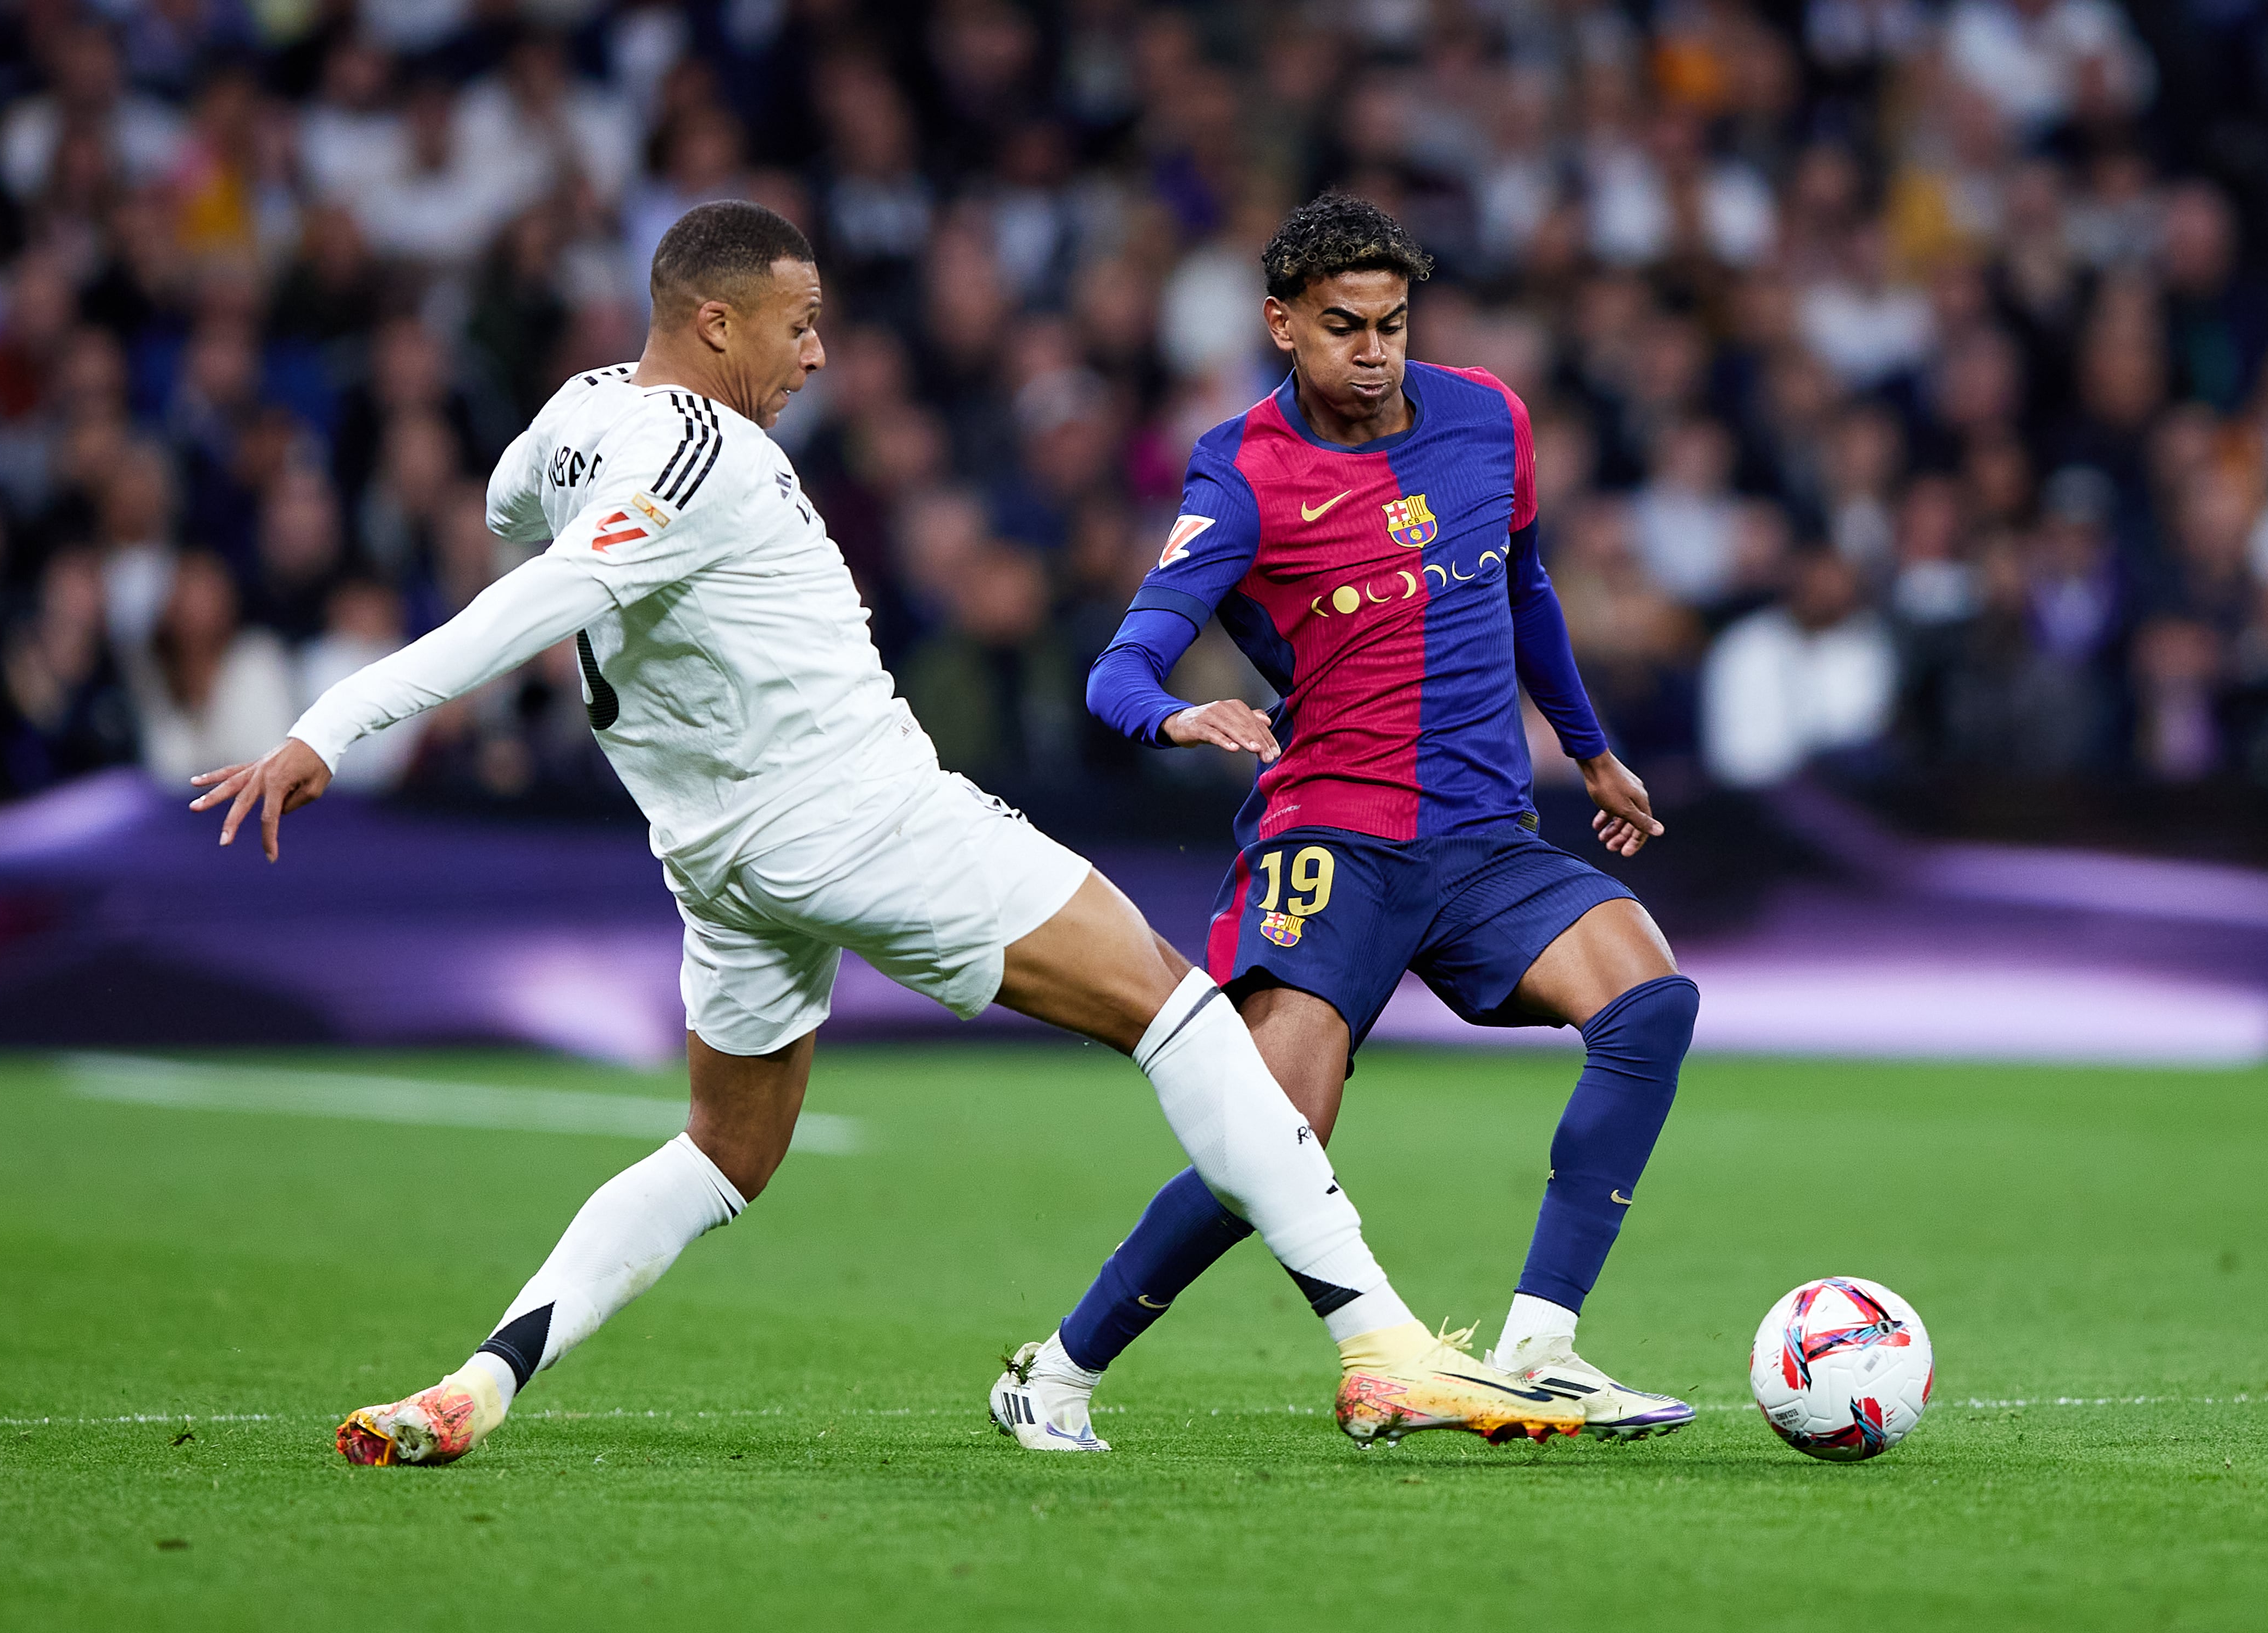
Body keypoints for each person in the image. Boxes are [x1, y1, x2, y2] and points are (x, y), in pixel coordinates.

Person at [187, 201, 1605, 1467]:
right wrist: (332, 728)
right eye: (798, 329)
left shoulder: (578, 415)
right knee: (1182, 1016)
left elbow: (509, 507)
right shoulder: (700, 456)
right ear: (715, 321)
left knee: (721, 1156)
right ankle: (1381, 1346)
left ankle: (483, 1378)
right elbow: (533, 597)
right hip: (855, 811)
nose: (816, 359)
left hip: (718, 865)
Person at [988, 196, 1699, 1452]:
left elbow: (1525, 584)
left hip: (1486, 831)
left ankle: (1542, 1347)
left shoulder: (1488, 416)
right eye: (1343, 327)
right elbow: (1119, 669)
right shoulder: (1243, 471)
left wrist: (1589, 750)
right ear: (1281, 326)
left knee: (1650, 1000)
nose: (1374, 352)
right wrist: (1178, 716)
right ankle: (1055, 1372)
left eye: (1393, 324)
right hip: (1336, 835)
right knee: (1277, 1132)